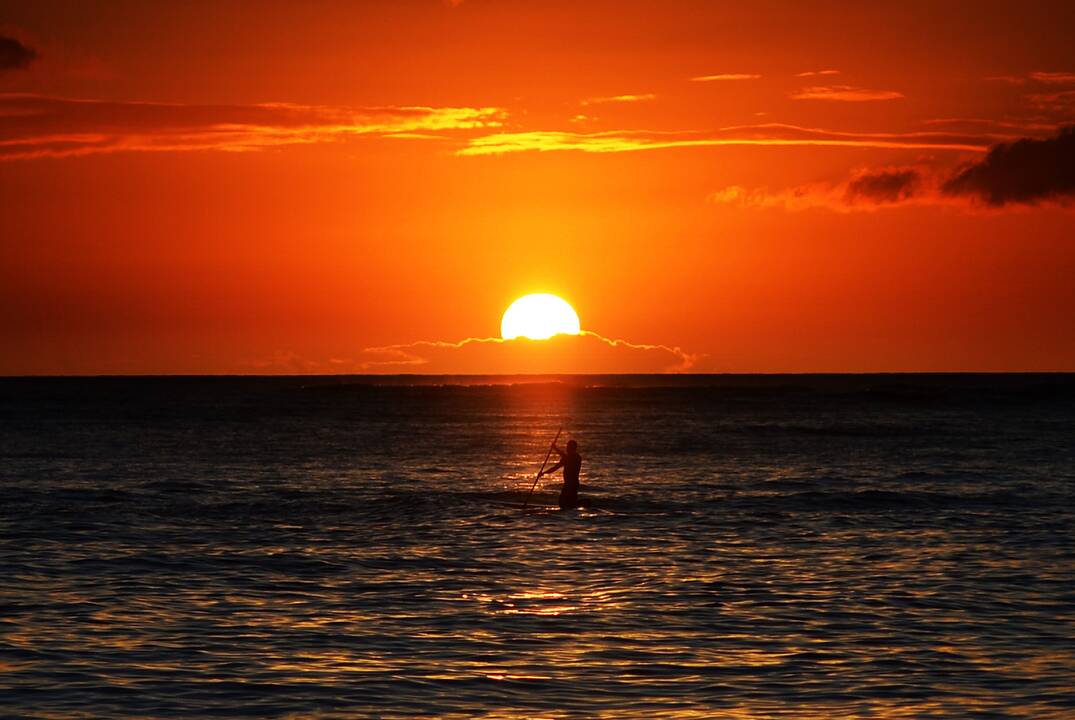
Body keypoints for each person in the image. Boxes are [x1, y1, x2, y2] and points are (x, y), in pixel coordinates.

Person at [538, 439, 584, 509]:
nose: (567, 448)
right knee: (568, 503)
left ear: (573, 448)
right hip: (568, 484)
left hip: (572, 484)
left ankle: (584, 504)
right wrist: (544, 473)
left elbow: (566, 457)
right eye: (567, 447)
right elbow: (555, 467)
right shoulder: (566, 458)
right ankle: (578, 507)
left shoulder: (577, 457)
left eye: (569, 447)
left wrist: (555, 448)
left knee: (563, 503)